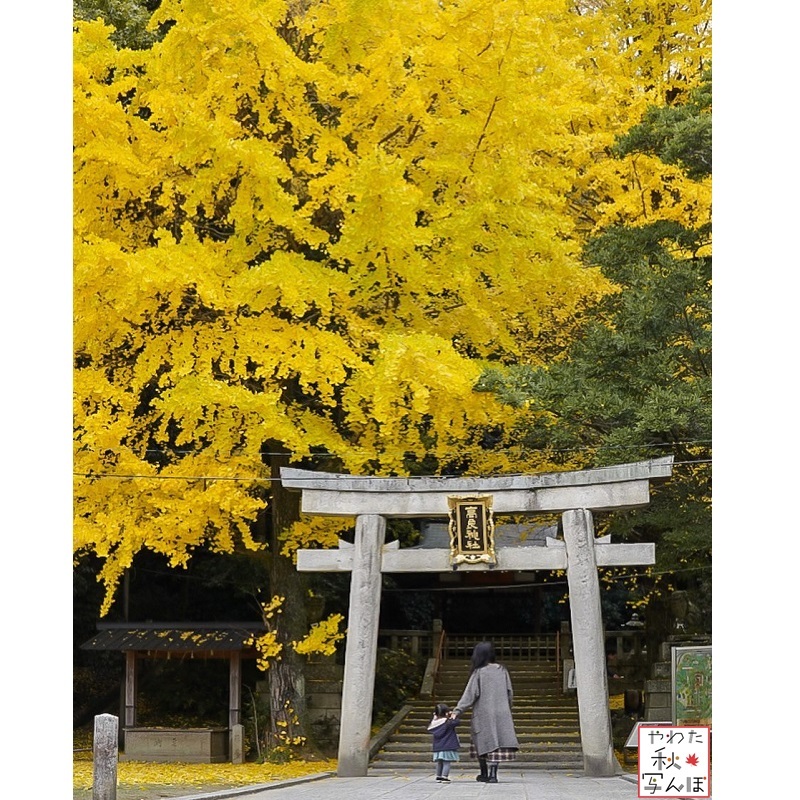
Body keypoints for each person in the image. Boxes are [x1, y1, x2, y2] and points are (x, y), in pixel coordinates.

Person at [452, 641, 519, 783]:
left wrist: (457, 711)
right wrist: (507, 708)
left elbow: (470, 695)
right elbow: (510, 692)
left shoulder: (479, 672)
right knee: (497, 742)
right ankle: (493, 774)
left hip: (484, 713)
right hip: (502, 712)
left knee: (482, 741)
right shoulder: (502, 670)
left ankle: (484, 773)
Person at [426, 702, 461, 782]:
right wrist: (453, 716)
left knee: (439, 762)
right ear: (446, 713)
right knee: (446, 762)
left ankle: (438, 776)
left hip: (438, 746)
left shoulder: (433, 724)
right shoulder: (448, 722)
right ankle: (445, 776)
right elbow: (457, 722)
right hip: (448, 745)